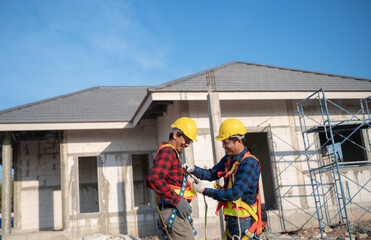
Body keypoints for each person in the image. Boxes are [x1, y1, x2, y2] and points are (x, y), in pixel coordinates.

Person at [184, 118, 263, 240]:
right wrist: (193, 169)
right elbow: (212, 174)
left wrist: (205, 190)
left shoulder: (249, 163)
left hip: (244, 222)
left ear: (238, 141)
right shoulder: (229, 159)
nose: (223, 146)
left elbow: (234, 193)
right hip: (233, 220)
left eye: (226, 142)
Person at [146, 117, 198, 240]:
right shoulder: (168, 152)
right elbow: (153, 178)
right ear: (176, 134)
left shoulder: (172, 153)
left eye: (190, 142)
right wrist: (177, 201)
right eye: (186, 140)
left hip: (174, 210)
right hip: (173, 210)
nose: (187, 144)